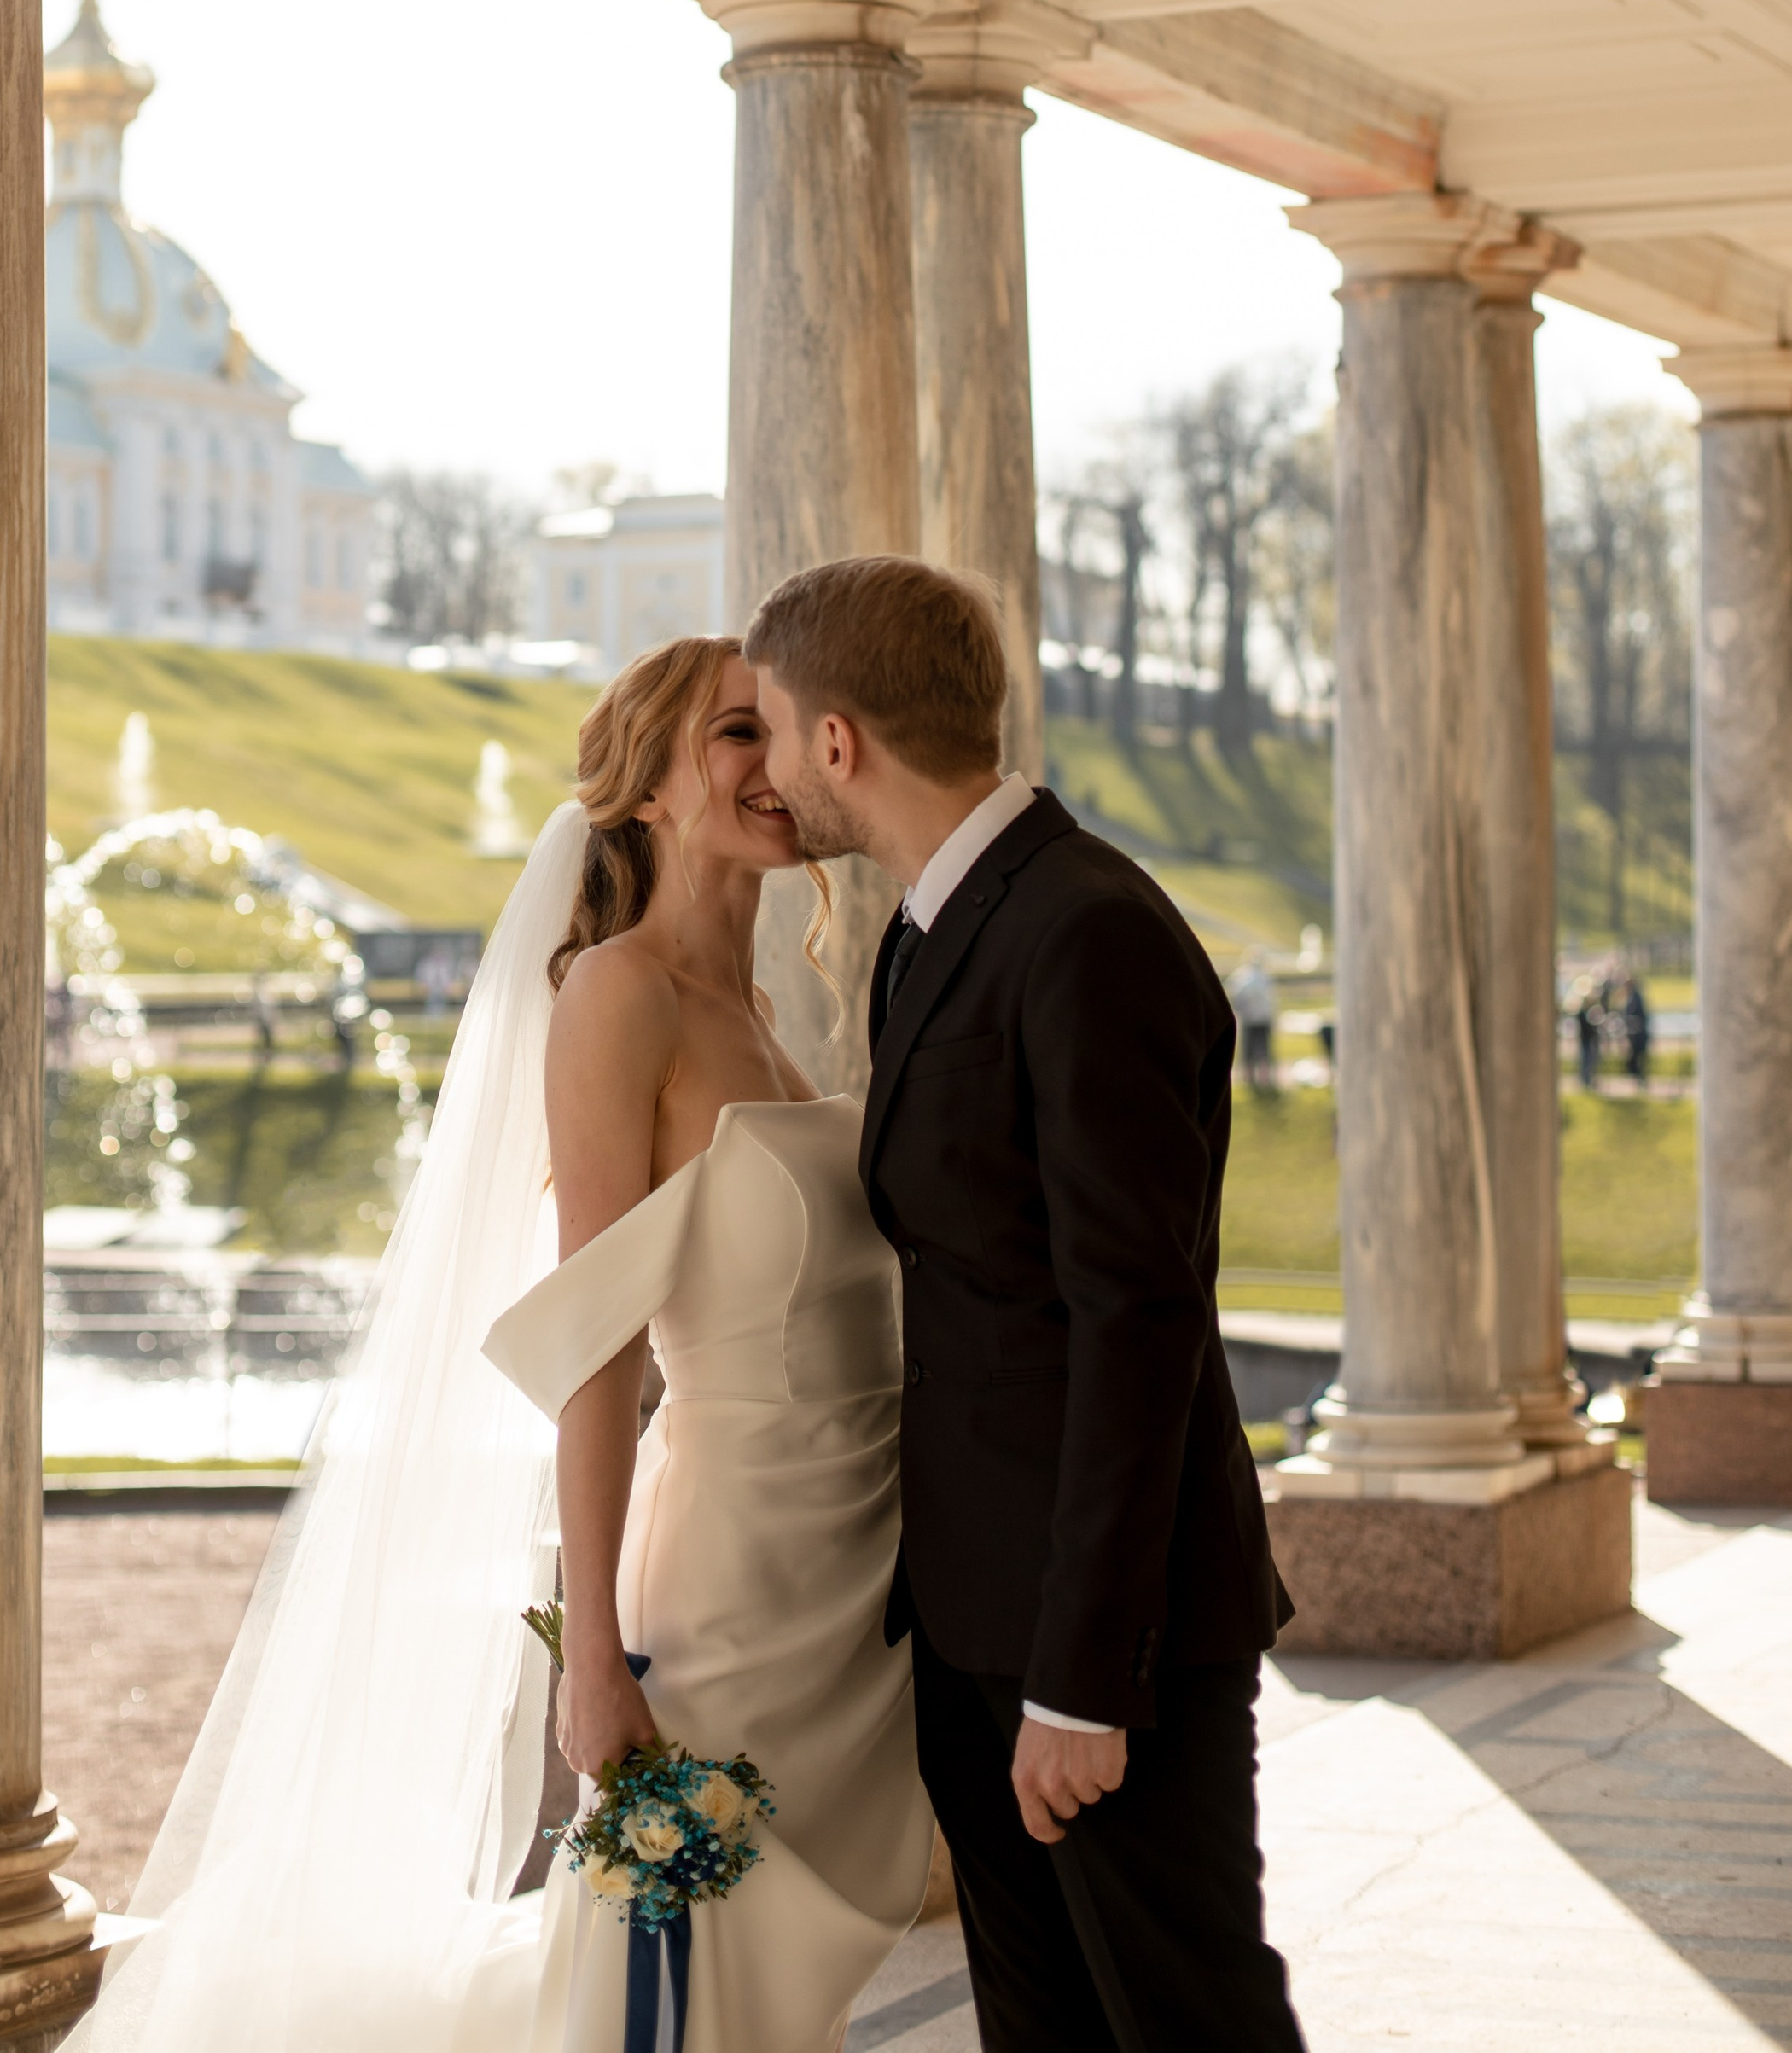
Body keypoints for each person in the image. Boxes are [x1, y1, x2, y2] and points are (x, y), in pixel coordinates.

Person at [70, 637, 928, 2053]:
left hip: (843, 1586)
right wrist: (592, 1651)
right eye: (734, 735)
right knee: (689, 1982)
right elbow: (599, 1349)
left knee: (781, 1982)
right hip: (722, 1585)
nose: (774, 767)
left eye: (780, 734)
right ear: (646, 787)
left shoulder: (771, 1018)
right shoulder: (617, 1000)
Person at [748, 555, 1303, 2053]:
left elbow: (1139, 1324)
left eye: (776, 730)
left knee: (1189, 2023)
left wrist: (1078, 1677)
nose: (775, 768)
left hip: (1103, 1641)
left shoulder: (1086, 928)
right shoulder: (929, 934)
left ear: (841, 742)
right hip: (983, 1615)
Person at [1228, 956, 1277, 1093]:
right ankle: (1263, 1077)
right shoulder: (1262, 977)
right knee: (1262, 1048)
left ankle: (1251, 1077)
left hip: (1252, 1018)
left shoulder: (1243, 977)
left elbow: (1235, 996)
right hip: (1260, 1018)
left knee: (1251, 1049)